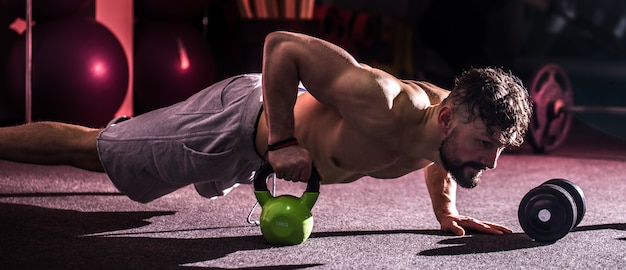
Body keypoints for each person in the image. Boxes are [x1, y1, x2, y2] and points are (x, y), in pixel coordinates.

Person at [0, 31, 532, 237]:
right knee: (97, 152)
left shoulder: (446, 130)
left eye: (499, 148)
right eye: (485, 144)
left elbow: (442, 158)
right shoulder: (386, 100)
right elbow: (283, 47)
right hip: (240, 124)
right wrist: (281, 142)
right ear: (445, 119)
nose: (490, 162)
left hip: (263, 157)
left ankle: (146, 135)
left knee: (147, 200)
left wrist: (447, 212)